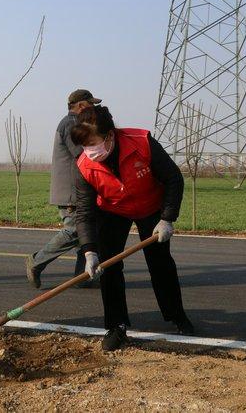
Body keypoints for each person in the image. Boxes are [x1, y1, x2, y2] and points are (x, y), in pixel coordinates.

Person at [71, 104, 194, 351]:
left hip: (151, 207)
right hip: (113, 210)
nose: (90, 152)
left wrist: (167, 218)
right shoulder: (84, 165)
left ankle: (177, 316)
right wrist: (89, 251)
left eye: (93, 144)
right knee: (109, 265)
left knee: (160, 263)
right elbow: (84, 212)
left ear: (110, 136)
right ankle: (116, 326)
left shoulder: (141, 142)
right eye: (85, 146)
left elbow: (173, 178)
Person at [26, 89, 102, 289]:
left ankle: (83, 277)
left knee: (87, 232)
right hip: (71, 191)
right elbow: (82, 155)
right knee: (75, 230)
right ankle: (36, 261)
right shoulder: (71, 124)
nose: (94, 108)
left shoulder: (73, 123)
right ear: (81, 105)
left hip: (76, 189)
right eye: (91, 104)